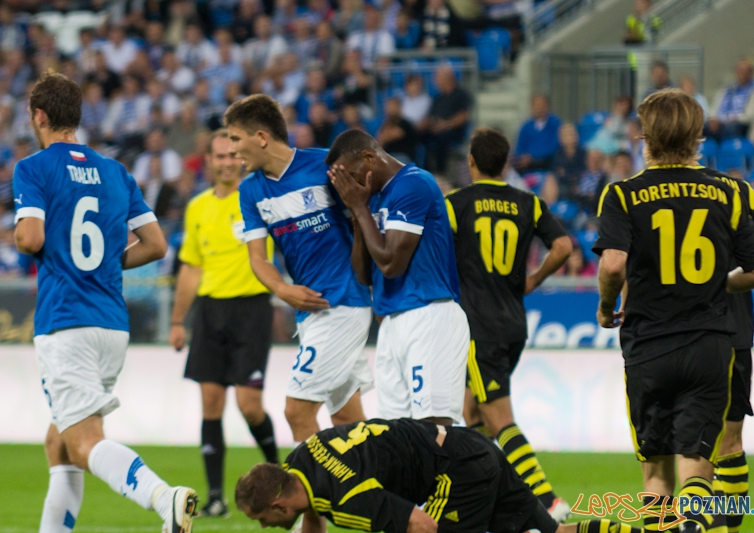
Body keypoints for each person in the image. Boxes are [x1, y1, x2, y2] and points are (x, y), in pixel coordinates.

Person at [13, 72, 197, 533]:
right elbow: (155, 244)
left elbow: (29, 235)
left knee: (83, 440)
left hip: (66, 320)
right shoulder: (116, 172)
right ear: (77, 116)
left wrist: (27, 241)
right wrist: (103, 265)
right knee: (59, 443)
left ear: (39, 115)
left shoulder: (33, 168)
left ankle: (163, 497)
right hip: (112, 324)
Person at [593, 88, 754, 533]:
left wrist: (605, 304)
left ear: (645, 137)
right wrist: (716, 278)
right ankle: (716, 523)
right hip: (719, 335)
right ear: (698, 136)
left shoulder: (624, 194)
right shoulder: (732, 191)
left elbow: (612, 263)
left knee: (656, 471)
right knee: (721, 448)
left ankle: (701, 525)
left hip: (649, 342)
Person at [224, 94, 374, 443]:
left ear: (261, 137)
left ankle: (316, 496)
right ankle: (387, 490)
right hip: (309, 311)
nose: (233, 150)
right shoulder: (250, 192)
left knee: (296, 412)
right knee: (348, 419)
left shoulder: (325, 166)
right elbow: (258, 258)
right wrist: (283, 290)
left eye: (235, 138)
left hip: (342, 302)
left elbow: (365, 217)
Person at [445, 128, 573, 522]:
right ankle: (481, 492)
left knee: (498, 416)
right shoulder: (528, 203)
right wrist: (532, 278)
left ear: (470, 162)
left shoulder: (456, 204)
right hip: (513, 321)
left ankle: (548, 501)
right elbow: (564, 246)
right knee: (472, 414)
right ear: (506, 164)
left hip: (476, 326)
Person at [235, 418, 645, 533]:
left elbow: (421, 524)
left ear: (276, 504)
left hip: (458, 471)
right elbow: (312, 512)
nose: (266, 527)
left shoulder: (348, 498)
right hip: (468, 445)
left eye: (262, 520)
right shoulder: (299, 460)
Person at [168, 129, 279, 518]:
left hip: (251, 310)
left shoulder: (257, 197)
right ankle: (215, 496)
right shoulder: (197, 207)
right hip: (210, 312)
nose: (227, 162)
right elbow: (191, 267)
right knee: (210, 403)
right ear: (210, 161)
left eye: (233, 155)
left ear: (241, 158)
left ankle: (278, 472)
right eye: (220, 156)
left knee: (250, 406)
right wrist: (178, 319)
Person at [327, 130, 469, 426]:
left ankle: (488, 473)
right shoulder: (374, 200)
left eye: (353, 174)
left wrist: (360, 208)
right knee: (398, 435)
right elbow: (364, 274)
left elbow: (392, 263)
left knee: (434, 427)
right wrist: (358, 215)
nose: (351, 185)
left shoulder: (413, 184)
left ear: (369, 156)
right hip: (391, 323)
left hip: (429, 315)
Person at [701, 166, 754, 533]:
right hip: (736, 327)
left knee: (693, 447)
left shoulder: (647, 189)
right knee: (730, 440)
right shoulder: (739, 190)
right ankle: (731, 528)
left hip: (683, 330)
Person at [706, 59, 754, 142]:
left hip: (740, 122)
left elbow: (751, 115)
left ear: (751, 73)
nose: (742, 73)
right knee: (704, 127)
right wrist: (713, 118)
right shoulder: (726, 89)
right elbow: (714, 106)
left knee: (732, 128)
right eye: (740, 70)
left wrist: (734, 118)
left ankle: (730, 153)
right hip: (721, 121)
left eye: (745, 71)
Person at [513, 94, 561, 172]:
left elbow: (555, 148)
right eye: (536, 105)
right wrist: (522, 158)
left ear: (547, 106)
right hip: (528, 167)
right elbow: (519, 148)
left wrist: (532, 157)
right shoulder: (525, 126)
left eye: (541, 105)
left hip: (549, 166)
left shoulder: (556, 124)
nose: (539, 108)